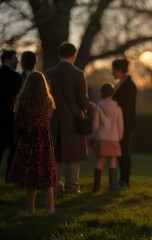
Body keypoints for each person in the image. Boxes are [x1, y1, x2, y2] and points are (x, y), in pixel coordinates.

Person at [46, 42, 94, 194]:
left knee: (56, 155)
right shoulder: (78, 74)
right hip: (73, 121)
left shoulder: (49, 73)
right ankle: (72, 186)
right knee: (73, 156)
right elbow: (82, 101)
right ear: (74, 55)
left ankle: (54, 185)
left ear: (59, 55)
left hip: (53, 120)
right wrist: (93, 106)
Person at [8, 71, 57, 214]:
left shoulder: (23, 102)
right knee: (47, 174)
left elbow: (18, 123)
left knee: (30, 175)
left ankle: (30, 208)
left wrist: (18, 139)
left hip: (28, 139)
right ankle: (51, 208)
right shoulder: (48, 101)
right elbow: (48, 120)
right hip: (44, 139)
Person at [92, 83, 124, 191]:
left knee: (100, 162)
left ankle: (96, 187)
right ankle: (113, 185)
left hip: (101, 137)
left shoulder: (98, 107)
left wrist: (95, 135)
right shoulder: (117, 108)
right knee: (112, 162)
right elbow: (120, 125)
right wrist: (119, 137)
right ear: (112, 93)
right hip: (114, 137)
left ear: (101, 93)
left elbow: (95, 124)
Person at [111, 58, 137, 188]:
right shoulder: (122, 83)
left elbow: (126, 105)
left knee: (124, 151)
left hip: (125, 124)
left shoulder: (129, 85)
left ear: (120, 70)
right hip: (120, 123)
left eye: (114, 70)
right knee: (121, 151)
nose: (112, 73)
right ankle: (122, 179)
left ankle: (125, 180)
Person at [0, 49, 22, 182]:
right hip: (10, 117)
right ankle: (10, 176)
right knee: (13, 147)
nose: (17, 61)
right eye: (15, 58)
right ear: (8, 59)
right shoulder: (15, 77)